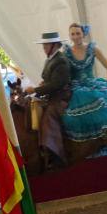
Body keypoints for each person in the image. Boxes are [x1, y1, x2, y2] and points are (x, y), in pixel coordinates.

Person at [59, 24, 107, 144]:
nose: (76, 36)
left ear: (83, 34)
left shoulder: (92, 49)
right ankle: (95, 139)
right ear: (69, 36)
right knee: (89, 98)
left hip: (92, 83)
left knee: (102, 99)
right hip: (76, 86)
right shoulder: (66, 53)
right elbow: (62, 72)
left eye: (78, 33)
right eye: (72, 34)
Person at [25, 31, 71, 168]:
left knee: (48, 117)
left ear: (55, 45)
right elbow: (48, 80)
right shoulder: (50, 59)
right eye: (44, 45)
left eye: (46, 45)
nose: (43, 48)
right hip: (52, 94)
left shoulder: (61, 60)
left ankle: (54, 153)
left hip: (61, 96)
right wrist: (41, 85)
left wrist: (35, 90)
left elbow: (57, 84)